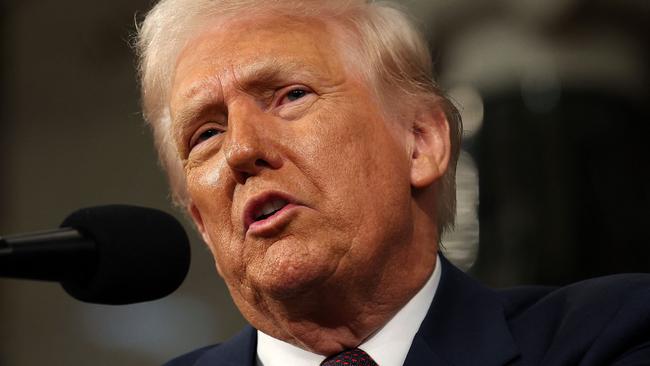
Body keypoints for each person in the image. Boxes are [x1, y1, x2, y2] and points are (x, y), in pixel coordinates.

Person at [135, 1, 650, 365]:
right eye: (206, 133)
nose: (242, 150)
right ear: (201, 221)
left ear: (421, 143)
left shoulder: (611, 334)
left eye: (290, 95)